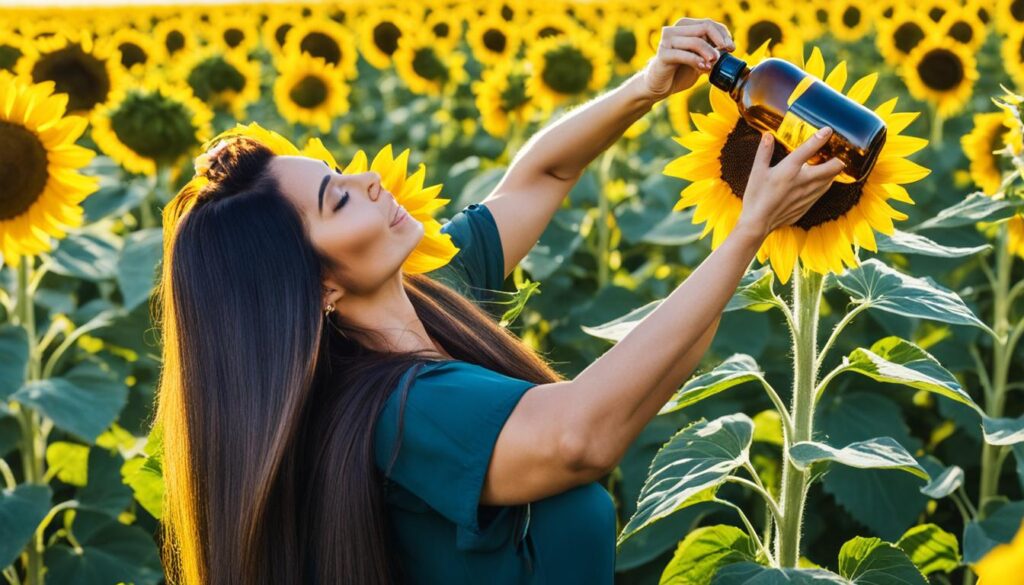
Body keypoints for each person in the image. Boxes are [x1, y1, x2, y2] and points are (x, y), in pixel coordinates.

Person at [151, 16, 846, 585]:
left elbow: (543, 173)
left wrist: (649, 86)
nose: (366, 178)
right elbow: (581, 435)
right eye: (337, 197)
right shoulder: (399, 411)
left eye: (337, 169)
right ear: (318, 287)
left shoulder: (433, 294)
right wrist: (749, 229)